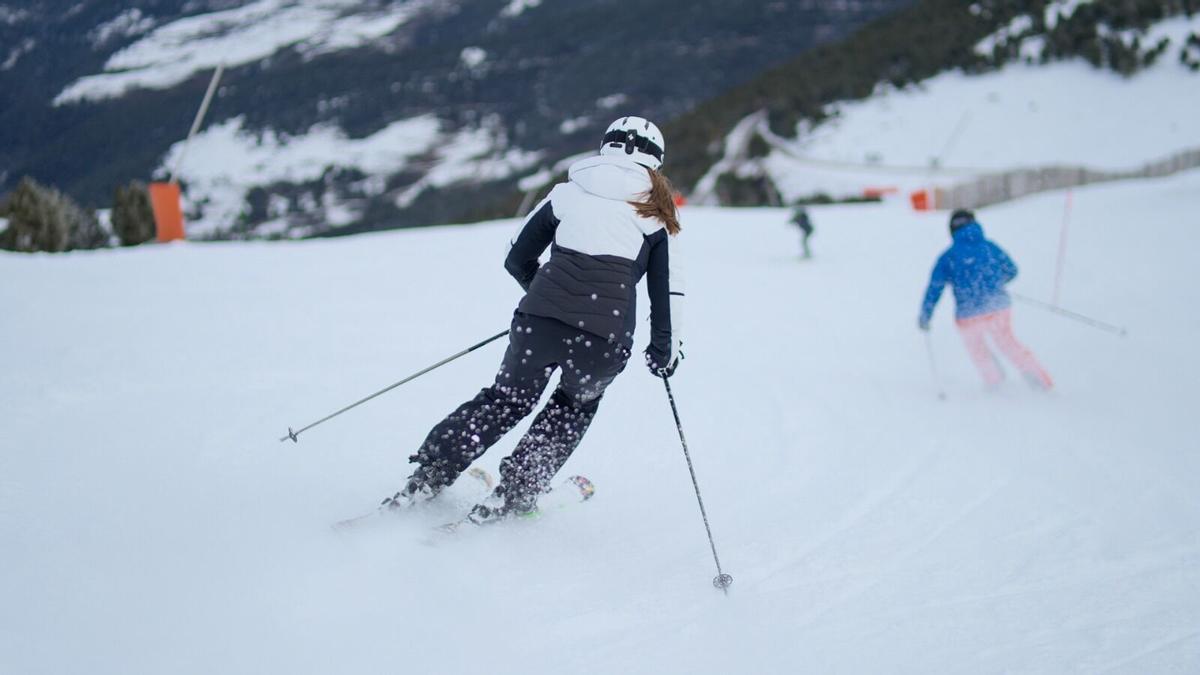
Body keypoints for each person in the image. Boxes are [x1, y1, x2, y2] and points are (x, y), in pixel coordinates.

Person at [383, 116, 685, 524]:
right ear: (656, 162)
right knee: (572, 408)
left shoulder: (566, 195)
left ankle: (430, 474)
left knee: (504, 400)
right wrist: (663, 351)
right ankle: (514, 493)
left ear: (604, 148)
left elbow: (516, 258)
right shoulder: (655, 216)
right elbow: (666, 294)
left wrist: (546, 299)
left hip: (537, 324)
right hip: (604, 338)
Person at [918, 209, 1053, 390]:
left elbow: (935, 287)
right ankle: (1039, 379)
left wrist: (926, 315)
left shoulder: (948, 257)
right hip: (997, 307)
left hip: (968, 315)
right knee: (1008, 343)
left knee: (978, 350)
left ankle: (995, 382)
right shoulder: (990, 248)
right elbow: (1012, 270)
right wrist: (995, 282)